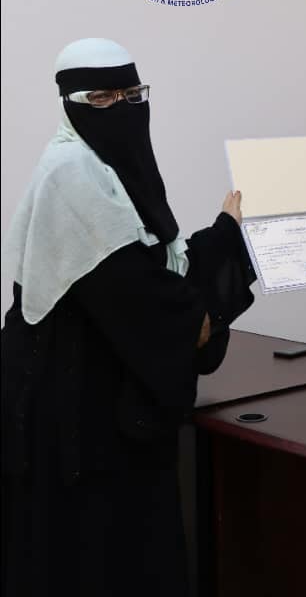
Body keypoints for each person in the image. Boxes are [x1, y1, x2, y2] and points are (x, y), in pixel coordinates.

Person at [1, 38, 256, 597]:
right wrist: (225, 239)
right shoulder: (73, 177)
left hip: (93, 398)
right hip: (76, 425)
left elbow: (148, 273)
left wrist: (216, 242)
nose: (122, 108)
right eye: (103, 99)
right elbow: (168, 319)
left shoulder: (104, 170)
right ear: (71, 104)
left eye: (133, 94)